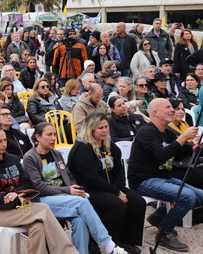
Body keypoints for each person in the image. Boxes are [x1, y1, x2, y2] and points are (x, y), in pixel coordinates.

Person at [24, 122, 128, 254]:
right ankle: (107, 244)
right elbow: (38, 186)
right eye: (49, 135)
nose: (53, 138)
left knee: (80, 219)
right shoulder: (30, 157)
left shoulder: (56, 153)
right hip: (42, 200)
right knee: (82, 203)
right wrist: (67, 191)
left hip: (62, 197)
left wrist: (77, 189)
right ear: (38, 137)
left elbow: (68, 176)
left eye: (55, 134)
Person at [0, 124, 78, 254]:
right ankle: (68, 252)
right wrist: (16, 199)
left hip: (20, 206)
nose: (4, 144)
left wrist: (16, 194)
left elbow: (27, 183)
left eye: (5, 140)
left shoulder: (13, 160)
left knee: (38, 227)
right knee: (44, 208)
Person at [128, 98, 203, 252]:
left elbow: (179, 151)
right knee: (187, 196)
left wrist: (194, 145)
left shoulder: (167, 131)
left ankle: (159, 216)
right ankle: (164, 233)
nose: (172, 110)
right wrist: (182, 138)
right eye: (168, 107)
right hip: (143, 181)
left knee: (200, 196)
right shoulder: (146, 131)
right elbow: (161, 155)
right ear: (155, 113)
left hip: (162, 177)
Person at [68, 113, 146, 253]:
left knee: (138, 202)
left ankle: (124, 240)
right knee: (117, 205)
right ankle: (96, 240)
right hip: (89, 190)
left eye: (106, 127)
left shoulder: (108, 144)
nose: (105, 130)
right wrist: (116, 192)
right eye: (100, 128)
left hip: (109, 187)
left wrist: (119, 188)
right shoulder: (82, 148)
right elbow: (91, 178)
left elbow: (118, 169)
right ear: (91, 129)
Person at [166, 99, 203, 188]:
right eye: (177, 109)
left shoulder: (184, 124)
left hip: (192, 159)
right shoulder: (166, 128)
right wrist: (192, 144)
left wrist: (197, 143)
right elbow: (173, 152)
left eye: (182, 109)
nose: (181, 112)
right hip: (178, 165)